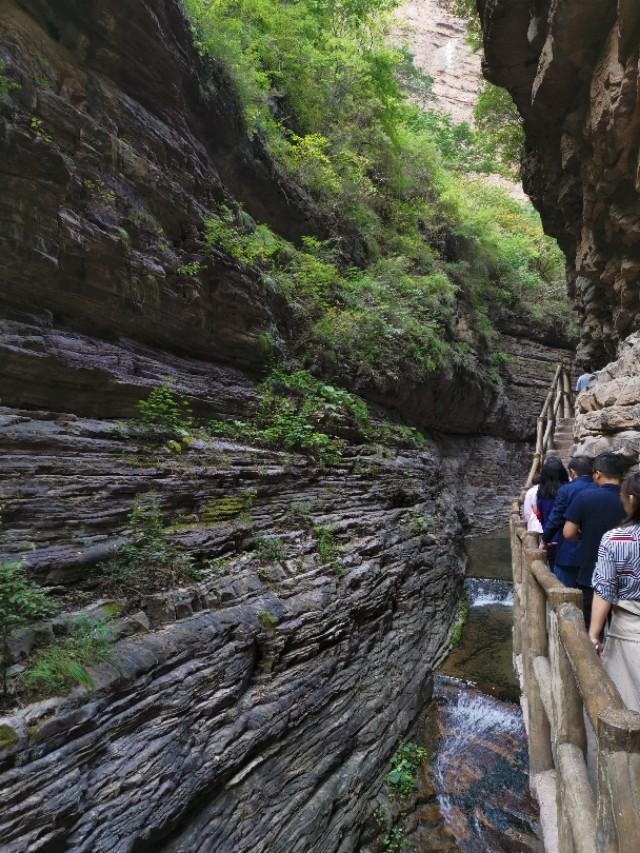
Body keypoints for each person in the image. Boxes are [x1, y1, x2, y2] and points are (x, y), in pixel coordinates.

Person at [589, 473, 640, 711]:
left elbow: (605, 590)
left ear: (631, 498)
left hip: (629, 631)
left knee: (627, 703)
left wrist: (593, 635)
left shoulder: (615, 539)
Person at [563, 452, 628, 628]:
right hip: (626, 575)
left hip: (591, 572)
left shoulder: (585, 497)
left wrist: (583, 536)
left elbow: (568, 533)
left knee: (590, 628)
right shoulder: (630, 500)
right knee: (620, 628)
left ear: (598, 473)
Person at [542, 456, 595, 587]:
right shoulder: (600, 489)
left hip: (569, 552)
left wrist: (544, 540)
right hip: (595, 554)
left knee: (563, 592)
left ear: (572, 472)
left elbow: (555, 519)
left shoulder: (566, 490)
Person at [535, 457, 569, 567]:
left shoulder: (541, 493)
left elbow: (540, 515)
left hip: (548, 538)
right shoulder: (567, 490)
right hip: (566, 538)